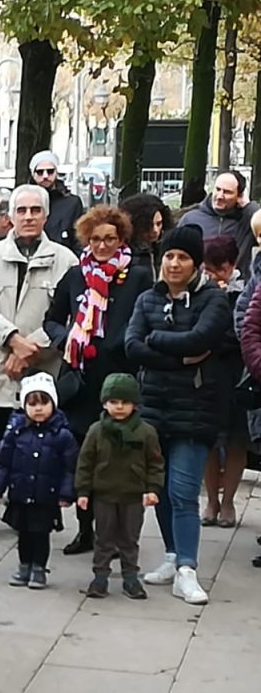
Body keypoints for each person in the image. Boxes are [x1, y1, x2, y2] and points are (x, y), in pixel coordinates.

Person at [0, 184, 77, 538]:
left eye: (35, 210)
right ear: (9, 216)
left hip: (43, 362)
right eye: (21, 210)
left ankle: (30, 510)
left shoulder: (66, 260)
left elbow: (71, 316)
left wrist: (31, 349)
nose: (28, 217)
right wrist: (12, 340)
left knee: (40, 443)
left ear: (45, 215)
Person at [125, 224, 230, 606]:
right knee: (160, 489)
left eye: (182, 257)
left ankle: (188, 568)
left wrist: (157, 341)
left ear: (196, 263)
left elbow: (202, 339)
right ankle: (171, 555)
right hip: (153, 408)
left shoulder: (213, 301)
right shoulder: (147, 300)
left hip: (195, 409)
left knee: (184, 490)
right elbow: (132, 345)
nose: (173, 263)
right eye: (169, 256)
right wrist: (178, 357)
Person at [43, 205, 154, 555]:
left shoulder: (136, 276)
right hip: (81, 380)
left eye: (109, 239)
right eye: (95, 240)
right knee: (82, 458)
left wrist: (121, 342)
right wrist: (70, 337)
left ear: (121, 239)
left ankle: (120, 536)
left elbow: (143, 319)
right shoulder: (76, 276)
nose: (102, 246)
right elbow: (51, 319)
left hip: (118, 378)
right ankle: (85, 531)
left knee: (119, 460)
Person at [74, 372, 164, 600]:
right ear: (105, 403)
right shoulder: (96, 431)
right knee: (103, 538)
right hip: (104, 495)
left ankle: (131, 578)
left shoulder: (146, 432)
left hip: (133, 497)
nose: (119, 407)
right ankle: (100, 577)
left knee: (129, 539)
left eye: (125, 402)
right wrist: (83, 491)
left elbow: (155, 463)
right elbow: (85, 462)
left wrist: (153, 489)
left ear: (135, 404)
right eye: (114, 402)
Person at [0, 373, 79, 589]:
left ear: (53, 404)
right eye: (32, 403)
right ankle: (24, 565)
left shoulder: (62, 435)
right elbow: (4, 463)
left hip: (46, 495)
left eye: (43, 403)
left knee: (41, 534)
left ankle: (39, 567)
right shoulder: (16, 432)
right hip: (21, 493)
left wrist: (66, 493)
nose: (38, 409)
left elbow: (70, 468)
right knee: (24, 534)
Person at [200, 236, 247, 528]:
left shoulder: (245, 290)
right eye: (209, 268)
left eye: (221, 268)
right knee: (207, 439)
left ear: (233, 265)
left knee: (235, 440)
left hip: (238, 372)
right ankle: (211, 501)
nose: (215, 274)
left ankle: (228, 501)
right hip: (207, 372)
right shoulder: (201, 291)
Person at [177, 169, 259, 268]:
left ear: (239, 196)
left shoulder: (248, 220)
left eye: (227, 192)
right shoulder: (191, 219)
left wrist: (248, 205)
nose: (220, 196)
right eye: (218, 189)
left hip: (237, 281)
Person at [29, 151, 85, 253]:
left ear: (56, 172)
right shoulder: (24, 201)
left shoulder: (72, 203)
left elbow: (79, 238)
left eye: (50, 171)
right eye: (40, 172)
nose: (45, 176)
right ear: (33, 174)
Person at [118, 193, 173, 278]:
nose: (155, 230)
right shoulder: (122, 254)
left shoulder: (166, 247)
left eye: (159, 224)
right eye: (148, 225)